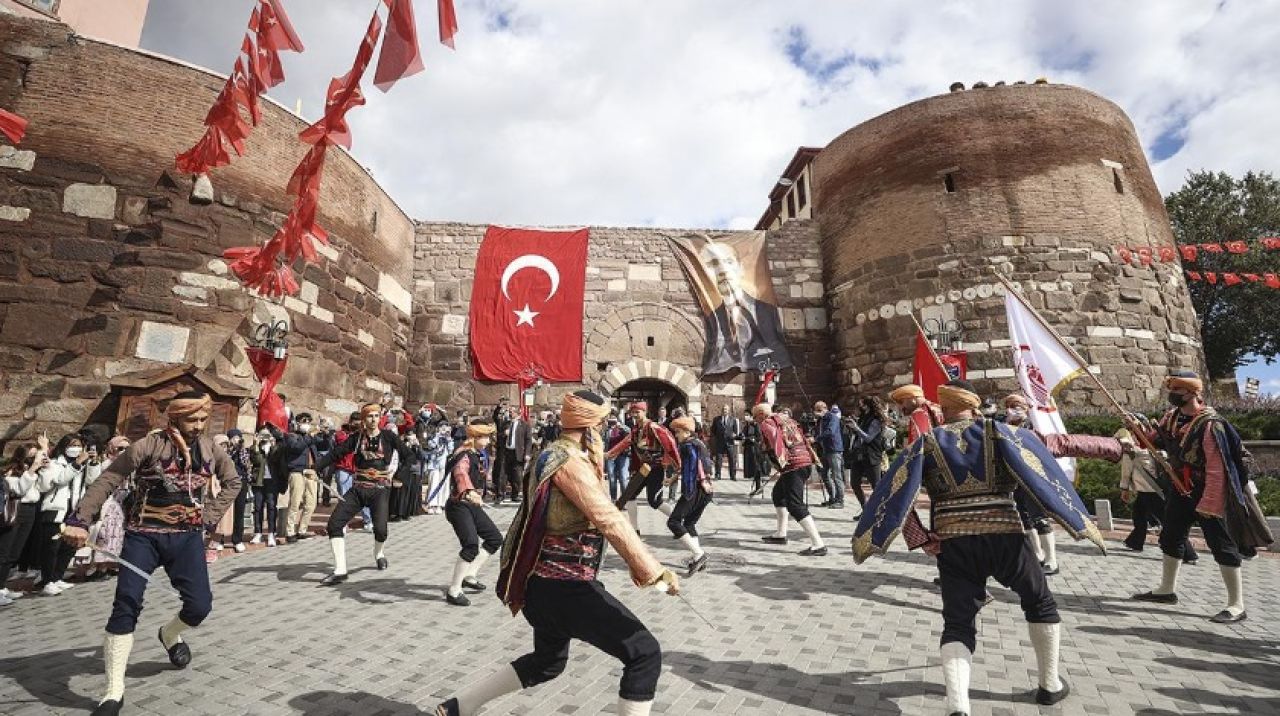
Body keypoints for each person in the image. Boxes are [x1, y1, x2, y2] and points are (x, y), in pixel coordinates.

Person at [853, 380, 1102, 715]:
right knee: (1040, 603)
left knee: (958, 623)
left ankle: (959, 706)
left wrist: (921, 538)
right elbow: (1058, 446)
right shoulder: (1004, 433)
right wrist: (1116, 448)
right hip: (1007, 538)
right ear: (974, 403)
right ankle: (1050, 684)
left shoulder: (926, 443)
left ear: (944, 405)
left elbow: (894, 493)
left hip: (954, 543)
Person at [436, 391, 680, 716]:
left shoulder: (553, 454)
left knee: (547, 663)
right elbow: (607, 519)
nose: (605, 429)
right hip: (565, 586)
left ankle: (459, 706)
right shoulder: (569, 462)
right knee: (645, 653)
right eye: (602, 423)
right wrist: (655, 573)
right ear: (590, 426)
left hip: (542, 587)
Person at [61, 391, 241, 716]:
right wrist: (80, 519)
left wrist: (208, 515)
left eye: (203, 419)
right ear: (174, 417)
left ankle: (169, 635)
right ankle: (113, 692)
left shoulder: (212, 450)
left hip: (185, 539)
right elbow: (108, 480)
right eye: (192, 419)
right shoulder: (146, 446)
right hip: (142, 536)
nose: (198, 425)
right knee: (126, 604)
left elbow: (233, 482)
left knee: (200, 606)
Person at [1127, 371, 1272, 623]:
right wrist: (1136, 430)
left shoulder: (1209, 424)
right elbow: (1152, 442)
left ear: (1192, 393)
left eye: (1178, 391)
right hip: (1180, 488)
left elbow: (1218, 469)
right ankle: (1166, 590)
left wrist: (1210, 503)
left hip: (1206, 491)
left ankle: (1236, 604)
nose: (1172, 395)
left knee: (1221, 544)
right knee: (1171, 536)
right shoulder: (1172, 418)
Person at [1002, 392, 1128, 576]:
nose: (1014, 408)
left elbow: (1068, 443)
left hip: (1034, 481)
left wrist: (1114, 445)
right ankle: (1037, 554)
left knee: (1039, 518)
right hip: (1015, 483)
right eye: (1011, 405)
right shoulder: (1001, 428)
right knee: (1024, 519)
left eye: (1018, 405)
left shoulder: (1034, 431)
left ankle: (1051, 560)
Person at [313, 404, 402, 586]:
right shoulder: (356, 438)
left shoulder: (389, 437)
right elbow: (336, 453)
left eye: (377, 416)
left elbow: (408, 456)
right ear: (364, 419)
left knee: (381, 530)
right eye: (370, 416)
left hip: (380, 489)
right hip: (358, 488)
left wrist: (400, 477)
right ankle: (340, 570)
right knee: (334, 524)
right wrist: (315, 468)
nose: (373, 419)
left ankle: (378, 554)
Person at [442, 419, 503, 606]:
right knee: (470, 545)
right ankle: (454, 590)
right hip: (459, 505)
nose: (487, 439)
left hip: (472, 505)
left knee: (494, 539)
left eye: (488, 435)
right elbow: (461, 473)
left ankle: (469, 574)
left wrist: (483, 491)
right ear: (474, 436)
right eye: (484, 436)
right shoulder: (463, 454)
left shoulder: (479, 453)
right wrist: (468, 491)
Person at [34, 433, 103, 595]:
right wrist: (78, 463)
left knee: (68, 547)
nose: (76, 449)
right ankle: (47, 580)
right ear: (64, 447)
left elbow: (92, 481)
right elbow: (60, 480)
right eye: (73, 445)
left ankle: (57, 577)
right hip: (55, 511)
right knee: (51, 548)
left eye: (79, 445)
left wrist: (92, 463)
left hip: (73, 512)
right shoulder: (55, 464)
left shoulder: (81, 466)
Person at [754, 403, 826, 556]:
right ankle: (781, 534)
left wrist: (773, 457)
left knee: (795, 505)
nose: (755, 420)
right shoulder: (787, 419)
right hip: (804, 461)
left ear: (761, 414)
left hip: (793, 465)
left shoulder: (767, 423)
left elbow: (774, 442)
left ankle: (818, 544)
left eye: (755, 416)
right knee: (778, 496)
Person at [1116, 426, 1196, 561]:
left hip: (1149, 490)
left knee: (1168, 522)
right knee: (1139, 514)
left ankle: (1188, 553)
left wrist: (1124, 489)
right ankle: (1135, 542)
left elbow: (1126, 471)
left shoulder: (1131, 451)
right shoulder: (1153, 448)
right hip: (1151, 489)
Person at [608, 402, 681, 524]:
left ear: (644, 412)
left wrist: (678, 466)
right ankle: (634, 529)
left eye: (638, 412)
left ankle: (678, 520)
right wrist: (609, 454)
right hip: (641, 469)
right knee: (629, 495)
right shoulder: (636, 430)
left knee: (654, 501)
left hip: (655, 469)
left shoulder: (654, 427)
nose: (635, 415)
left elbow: (670, 445)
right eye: (633, 412)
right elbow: (625, 442)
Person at [268, 412, 326, 544]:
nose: (306, 424)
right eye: (304, 421)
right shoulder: (291, 436)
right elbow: (297, 447)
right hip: (297, 472)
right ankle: (290, 532)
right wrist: (310, 436)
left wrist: (324, 432)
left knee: (311, 503)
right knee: (295, 502)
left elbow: (324, 445)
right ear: (297, 423)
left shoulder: (310, 437)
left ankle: (302, 530)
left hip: (311, 471)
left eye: (308, 422)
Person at [0, 441, 46, 606]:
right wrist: (32, 469)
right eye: (31, 456)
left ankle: (2, 585)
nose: (34, 459)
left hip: (30, 511)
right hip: (15, 510)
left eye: (36, 456)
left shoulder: (35, 471)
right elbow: (19, 490)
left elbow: (44, 486)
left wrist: (44, 468)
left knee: (15, 553)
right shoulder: (12, 471)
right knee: (4, 552)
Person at [666, 416, 713, 576]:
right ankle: (698, 557)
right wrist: (673, 478)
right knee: (690, 523)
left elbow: (694, 467)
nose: (676, 435)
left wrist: (690, 491)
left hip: (695, 489)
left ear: (687, 431)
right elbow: (695, 465)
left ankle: (699, 555)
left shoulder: (687, 445)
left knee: (673, 522)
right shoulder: (698, 442)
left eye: (678, 432)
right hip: (706, 490)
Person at [83, 435, 131, 582]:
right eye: (120, 448)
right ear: (112, 448)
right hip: (107, 504)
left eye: (127, 449)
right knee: (102, 536)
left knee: (113, 537)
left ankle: (107, 565)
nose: (124, 451)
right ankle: (97, 567)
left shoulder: (127, 465)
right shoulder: (107, 464)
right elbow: (95, 482)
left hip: (119, 504)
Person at [846, 396, 890, 516]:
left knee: (876, 485)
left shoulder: (876, 420)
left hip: (872, 456)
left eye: (861, 404)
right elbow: (859, 434)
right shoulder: (863, 418)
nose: (859, 406)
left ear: (867, 405)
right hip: (859, 455)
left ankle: (881, 511)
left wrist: (856, 427)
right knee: (854, 483)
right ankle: (866, 510)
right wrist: (852, 427)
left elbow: (868, 438)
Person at [495, 409, 533, 506]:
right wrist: (504, 433)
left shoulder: (525, 425)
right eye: (510, 412)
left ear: (518, 414)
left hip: (517, 452)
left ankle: (515, 495)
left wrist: (527, 453)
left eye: (512, 412)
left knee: (517, 475)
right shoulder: (505, 424)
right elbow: (498, 435)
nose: (510, 414)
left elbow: (528, 440)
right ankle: (500, 495)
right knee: (502, 474)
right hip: (506, 452)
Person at [248, 430, 280, 547]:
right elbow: (256, 460)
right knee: (258, 507)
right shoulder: (254, 448)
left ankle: (271, 533)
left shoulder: (273, 447)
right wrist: (256, 445)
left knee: (271, 507)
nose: (265, 437)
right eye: (262, 435)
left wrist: (273, 446)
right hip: (259, 481)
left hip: (272, 481)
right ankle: (258, 532)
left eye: (267, 435)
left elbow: (276, 459)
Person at [812, 402, 845, 509]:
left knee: (836, 475)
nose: (818, 412)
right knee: (824, 474)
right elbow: (818, 432)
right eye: (816, 409)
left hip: (834, 449)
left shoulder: (832, 418)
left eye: (819, 409)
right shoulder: (820, 420)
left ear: (825, 408)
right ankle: (832, 498)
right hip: (824, 450)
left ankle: (840, 500)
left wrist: (816, 439)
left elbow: (830, 431)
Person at [423, 424, 453, 515]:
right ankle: (432, 504)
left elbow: (451, 450)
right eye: (442, 428)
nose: (444, 430)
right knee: (433, 483)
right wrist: (437, 436)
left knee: (443, 485)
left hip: (444, 465)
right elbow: (431, 446)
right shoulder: (432, 437)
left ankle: (441, 504)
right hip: (434, 465)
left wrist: (448, 439)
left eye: (445, 428)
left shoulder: (448, 439)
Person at [603, 416, 631, 501]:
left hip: (623, 455)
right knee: (612, 478)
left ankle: (624, 499)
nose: (612, 423)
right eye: (610, 421)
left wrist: (620, 426)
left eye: (614, 420)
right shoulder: (606, 430)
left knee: (623, 477)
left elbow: (630, 432)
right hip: (610, 455)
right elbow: (602, 440)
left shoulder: (622, 428)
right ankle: (613, 499)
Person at [709, 405, 740, 481]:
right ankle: (718, 475)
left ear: (728, 411)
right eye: (723, 409)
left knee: (732, 459)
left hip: (730, 442)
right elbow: (713, 430)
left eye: (726, 409)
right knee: (718, 459)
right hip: (720, 442)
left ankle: (732, 475)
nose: (724, 410)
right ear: (721, 410)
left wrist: (734, 435)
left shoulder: (733, 419)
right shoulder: (716, 419)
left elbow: (735, 431)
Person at [741, 411, 768, 496]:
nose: (746, 417)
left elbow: (759, 436)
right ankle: (757, 487)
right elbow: (743, 434)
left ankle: (759, 487)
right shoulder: (746, 426)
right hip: (748, 449)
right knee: (753, 469)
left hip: (755, 449)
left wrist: (753, 439)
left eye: (747, 415)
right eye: (745, 415)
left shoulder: (756, 425)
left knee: (757, 468)